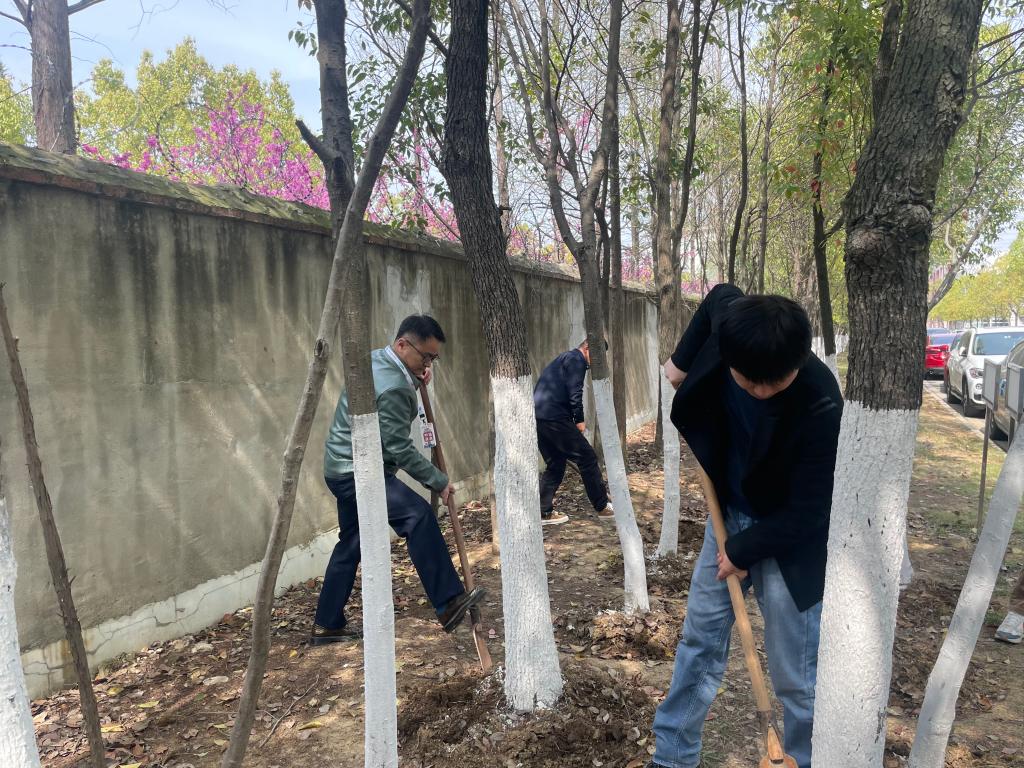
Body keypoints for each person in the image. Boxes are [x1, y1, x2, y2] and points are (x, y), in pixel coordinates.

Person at [648, 285, 842, 768]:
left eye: (773, 383)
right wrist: (680, 361)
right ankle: (673, 755)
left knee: (797, 672)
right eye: (748, 382)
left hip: (790, 538)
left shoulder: (821, 403)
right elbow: (718, 297)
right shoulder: (733, 326)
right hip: (728, 513)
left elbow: (811, 509)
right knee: (700, 641)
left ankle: (803, 759)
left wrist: (742, 551)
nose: (760, 391)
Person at [310, 314, 485, 645]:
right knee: (417, 516)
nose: (429, 364)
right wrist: (437, 480)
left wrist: (416, 377)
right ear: (403, 345)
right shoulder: (394, 387)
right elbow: (398, 448)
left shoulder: (378, 360)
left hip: (340, 466)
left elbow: (392, 396)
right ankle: (448, 602)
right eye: (426, 357)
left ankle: (326, 624)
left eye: (433, 359)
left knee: (352, 542)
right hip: (358, 472)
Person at [533, 339, 614, 525]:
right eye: (596, 356)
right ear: (587, 348)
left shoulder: (565, 358)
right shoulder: (577, 360)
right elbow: (575, 393)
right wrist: (579, 420)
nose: (596, 361)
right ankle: (602, 507)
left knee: (556, 464)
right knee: (587, 458)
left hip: (539, 419)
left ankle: (543, 511)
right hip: (555, 418)